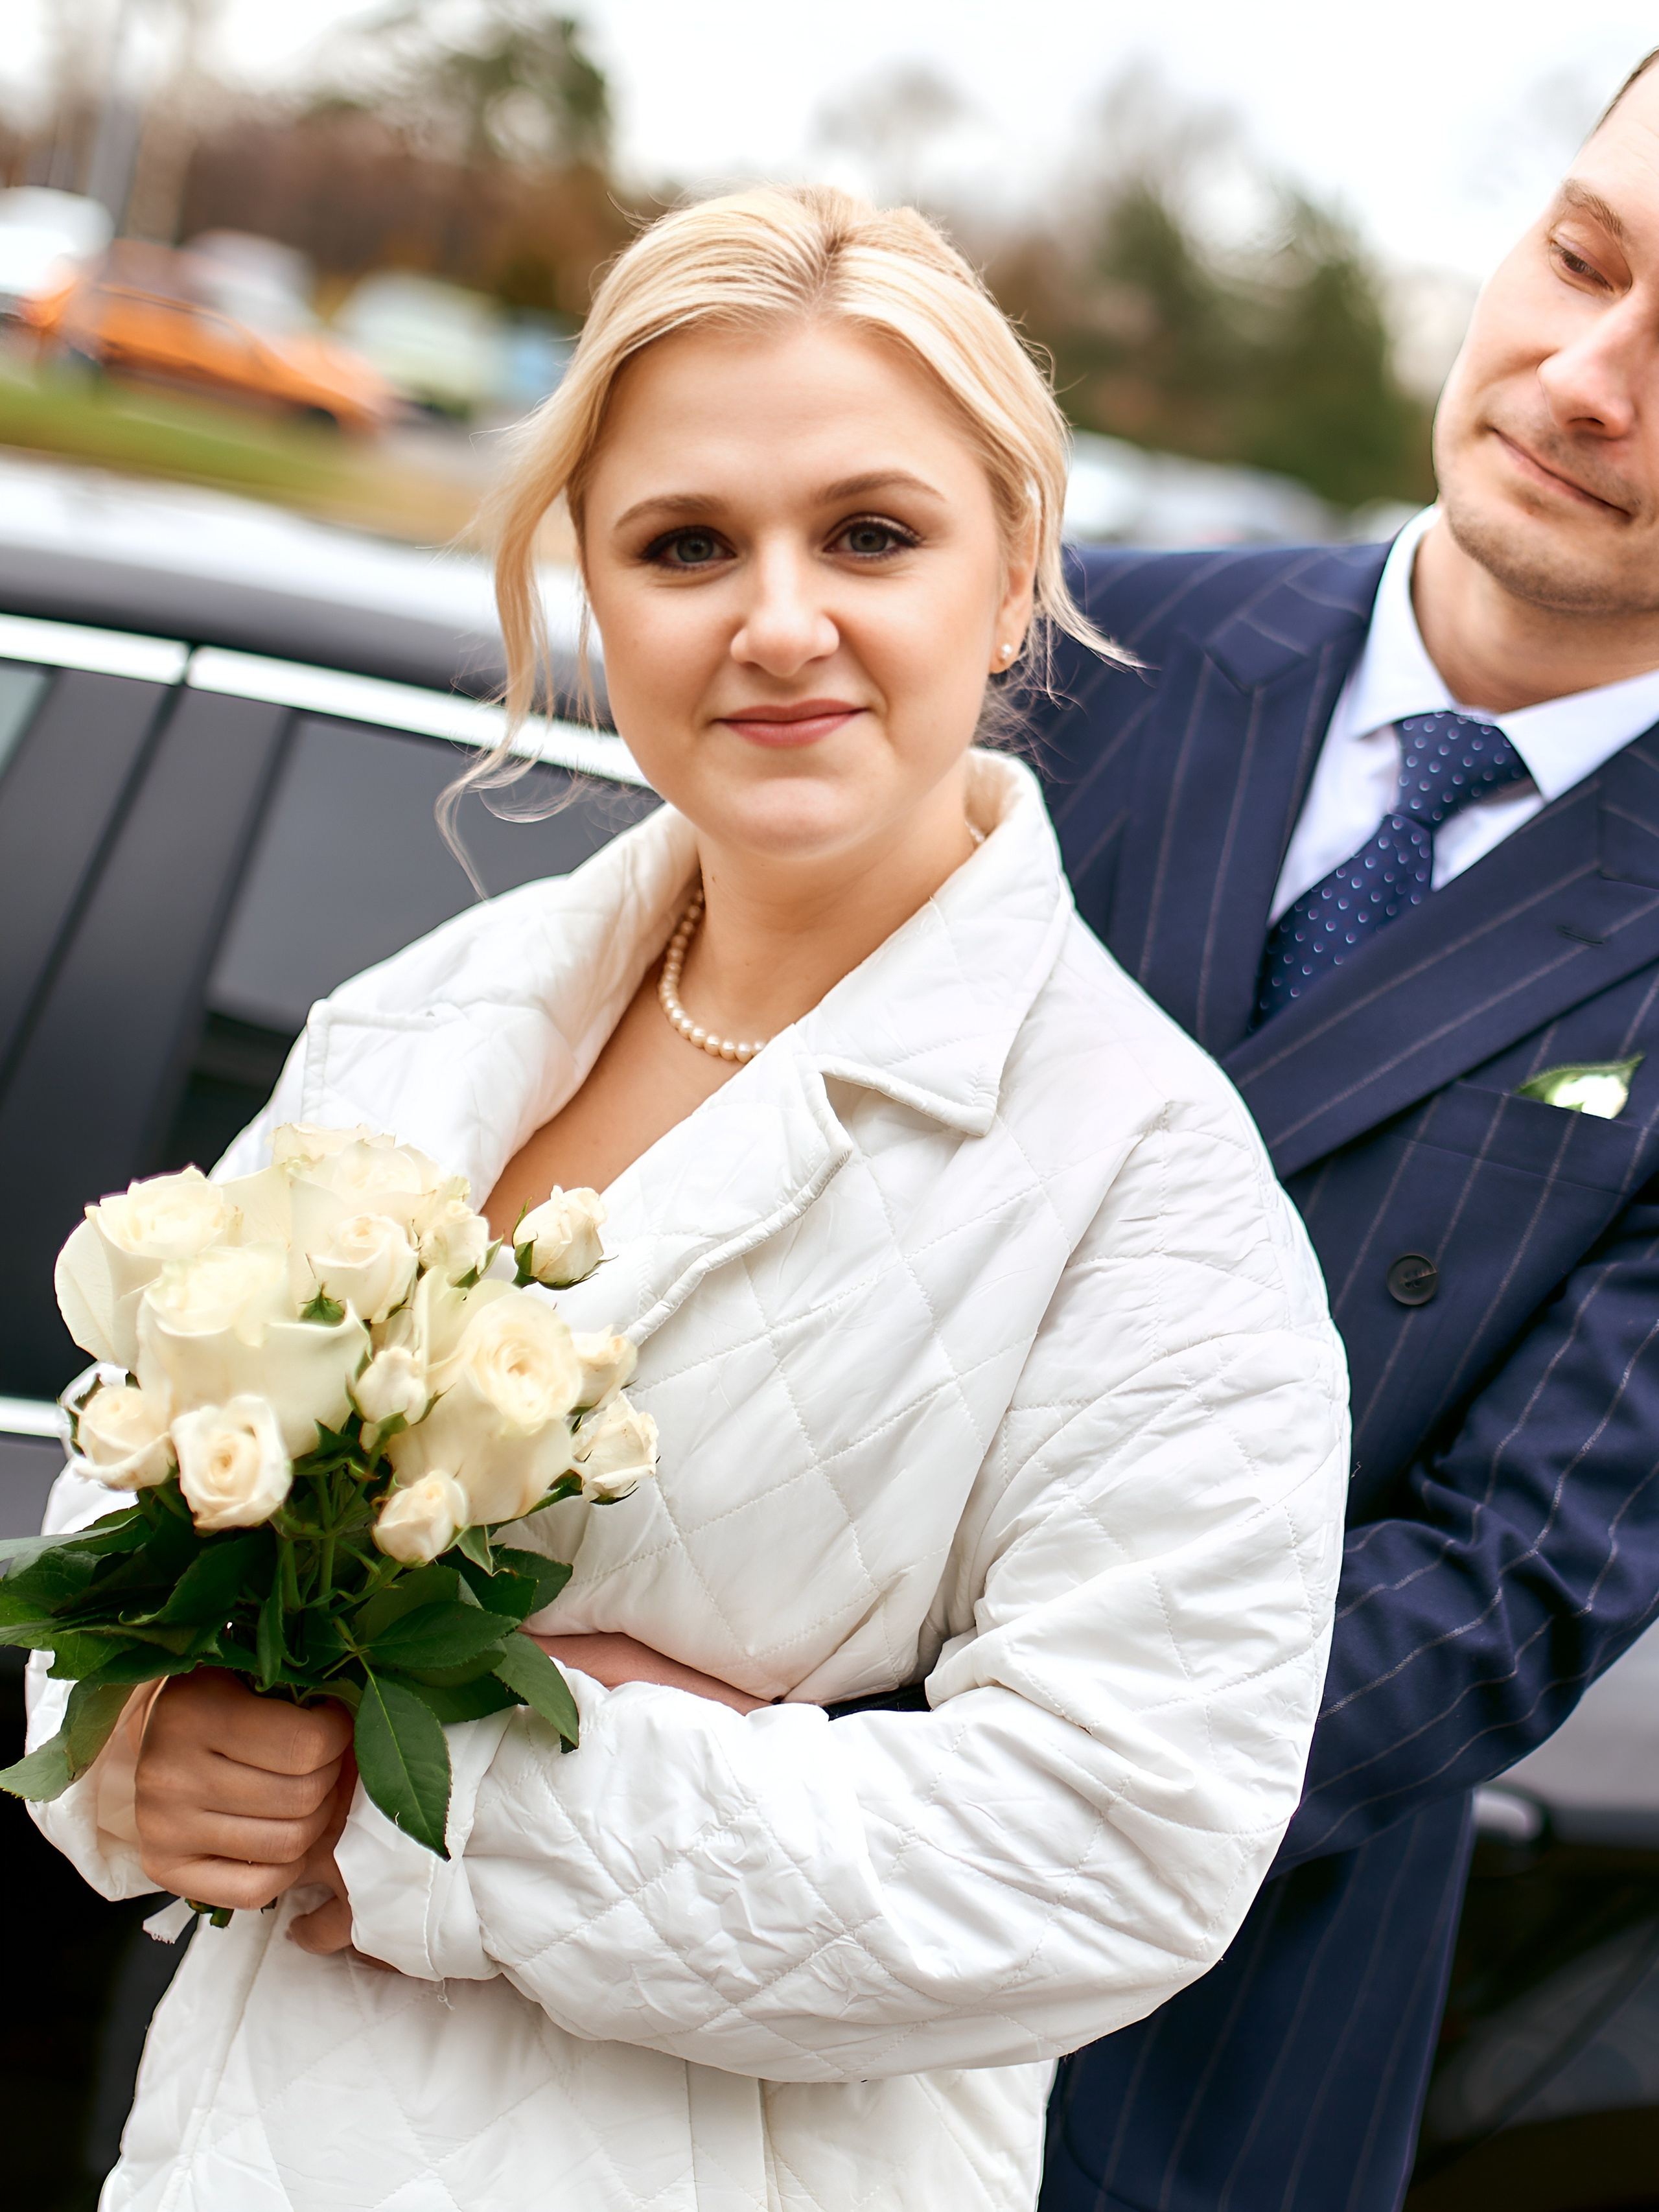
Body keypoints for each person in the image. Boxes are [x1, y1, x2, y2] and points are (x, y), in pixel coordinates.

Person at [27, 187, 1349, 2212]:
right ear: (595, 585)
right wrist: (149, 1743)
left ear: (1014, 577)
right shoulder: (427, 1019)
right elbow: (117, 1507)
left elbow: (1115, 1849)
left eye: (872, 535)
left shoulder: (1146, 1182)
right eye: (687, 546)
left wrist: (447, 1793)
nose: (780, 621)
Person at [1034, 46, 1659, 2212]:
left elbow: (1506, 1588)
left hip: (1180, 2062)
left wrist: (889, 1789)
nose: (1587, 380)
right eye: (1582, 258)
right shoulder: (1044, 653)